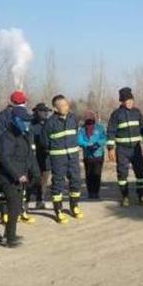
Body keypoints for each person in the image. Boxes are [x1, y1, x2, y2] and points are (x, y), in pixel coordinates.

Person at [0, 106, 40, 248]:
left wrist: (35, 172)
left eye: (28, 121)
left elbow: (30, 156)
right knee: (14, 207)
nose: (27, 123)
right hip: (8, 178)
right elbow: (5, 158)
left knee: (16, 207)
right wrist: (17, 175)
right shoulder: (7, 136)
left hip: (21, 177)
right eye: (24, 120)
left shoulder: (24, 136)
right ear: (15, 120)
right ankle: (9, 239)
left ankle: (9, 234)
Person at [106, 87, 143, 207]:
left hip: (136, 149)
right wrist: (110, 148)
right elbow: (110, 131)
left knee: (140, 173)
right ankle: (125, 197)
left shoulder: (137, 112)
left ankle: (141, 197)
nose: (130, 102)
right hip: (122, 149)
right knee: (122, 174)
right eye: (128, 100)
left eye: (132, 100)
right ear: (122, 101)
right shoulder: (116, 115)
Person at [43, 95, 83, 223]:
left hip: (73, 157)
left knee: (76, 181)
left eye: (67, 104)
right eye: (63, 105)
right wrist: (55, 150)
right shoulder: (50, 123)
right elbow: (44, 141)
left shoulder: (73, 118)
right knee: (58, 184)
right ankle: (58, 210)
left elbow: (75, 133)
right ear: (55, 108)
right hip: (58, 158)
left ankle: (74, 206)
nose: (66, 107)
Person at [0, 90, 29, 224]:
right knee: (6, 187)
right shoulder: (3, 117)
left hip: (16, 157)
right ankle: (6, 214)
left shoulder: (2, 116)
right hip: (8, 158)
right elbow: (0, 138)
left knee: (17, 187)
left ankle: (16, 212)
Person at [26, 103, 52, 211]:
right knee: (31, 180)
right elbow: (29, 141)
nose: (44, 113)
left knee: (44, 181)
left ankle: (40, 201)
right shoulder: (30, 124)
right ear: (36, 112)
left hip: (46, 157)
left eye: (45, 111)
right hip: (33, 157)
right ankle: (26, 203)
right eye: (41, 111)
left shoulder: (49, 124)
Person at [77, 111, 106, 199]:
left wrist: (97, 144)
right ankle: (90, 192)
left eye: (91, 117)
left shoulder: (100, 128)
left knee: (97, 174)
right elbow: (79, 140)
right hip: (87, 155)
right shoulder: (82, 130)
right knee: (89, 174)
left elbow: (104, 138)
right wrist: (87, 145)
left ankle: (96, 192)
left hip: (98, 155)